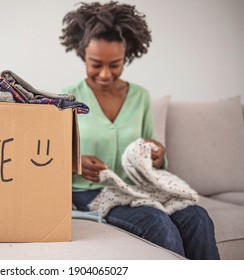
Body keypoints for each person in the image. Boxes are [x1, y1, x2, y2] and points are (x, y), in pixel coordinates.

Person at [60, 1, 220, 259]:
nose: (104, 74)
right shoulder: (68, 97)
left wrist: (157, 153)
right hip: (90, 193)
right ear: (82, 55)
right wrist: (73, 162)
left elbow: (154, 153)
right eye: (95, 63)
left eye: (115, 64)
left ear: (127, 56)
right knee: (156, 223)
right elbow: (49, 156)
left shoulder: (140, 97)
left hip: (138, 187)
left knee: (197, 217)